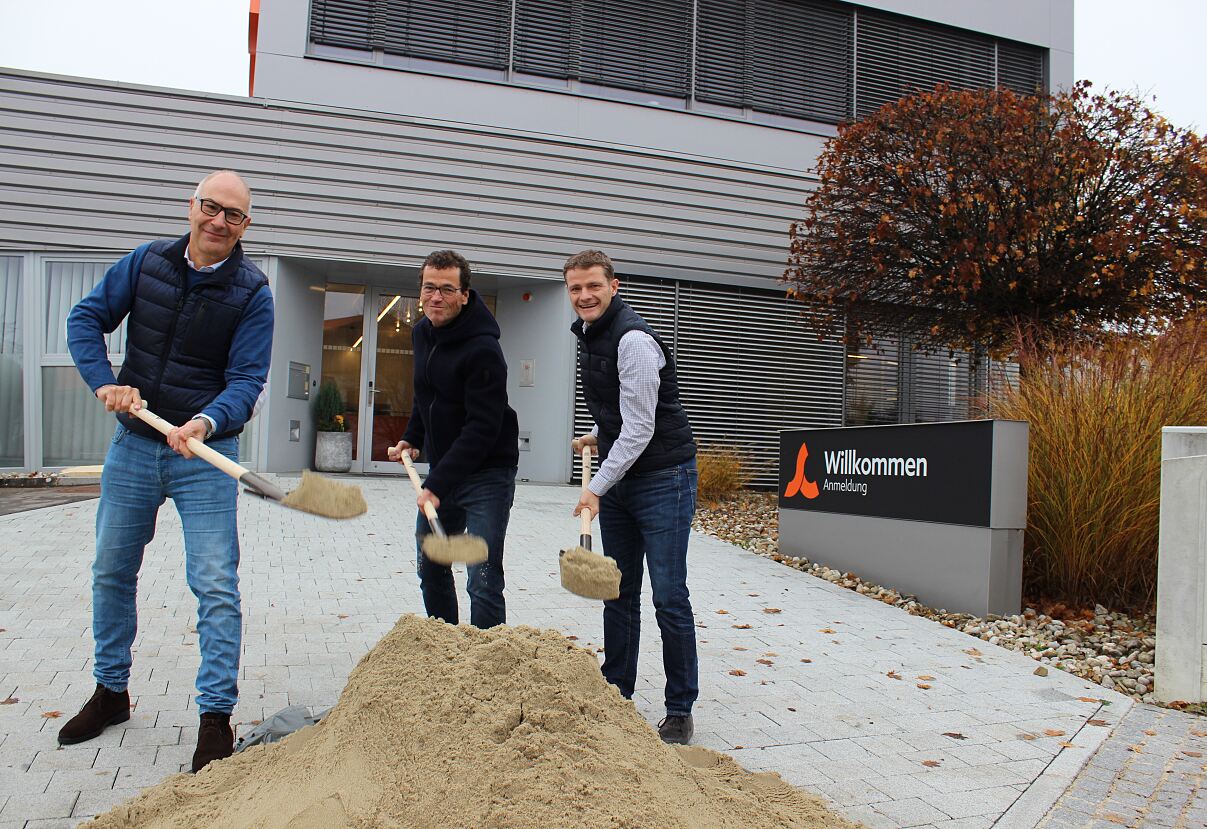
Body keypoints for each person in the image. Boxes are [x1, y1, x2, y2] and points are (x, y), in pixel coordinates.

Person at [59, 170, 274, 773]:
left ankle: (215, 718)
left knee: (215, 585)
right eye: (211, 207)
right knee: (111, 570)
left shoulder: (253, 293)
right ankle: (111, 692)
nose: (219, 221)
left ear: (245, 226)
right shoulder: (146, 262)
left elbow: (247, 380)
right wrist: (105, 382)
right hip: (134, 445)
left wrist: (205, 421)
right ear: (192, 206)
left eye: (233, 215)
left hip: (204, 457)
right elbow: (85, 319)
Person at [564, 249, 699, 745]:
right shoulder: (590, 335)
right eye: (576, 288)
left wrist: (595, 488)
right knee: (618, 590)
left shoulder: (634, 340)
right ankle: (616, 691)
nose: (584, 295)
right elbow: (621, 413)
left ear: (613, 286)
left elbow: (641, 427)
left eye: (593, 286)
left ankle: (680, 708)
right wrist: (597, 436)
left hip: (665, 479)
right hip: (624, 478)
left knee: (668, 596)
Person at [389, 250, 518, 628]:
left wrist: (437, 484)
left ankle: (488, 655)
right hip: (446, 470)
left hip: (487, 474)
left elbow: (483, 428)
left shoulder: (484, 349)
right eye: (429, 288)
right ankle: (443, 645)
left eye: (447, 289)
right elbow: (425, 394)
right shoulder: (421, 332)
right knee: (431, 563)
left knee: (482, 576)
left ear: (464, 295)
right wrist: (412, 436)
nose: (436, 297)